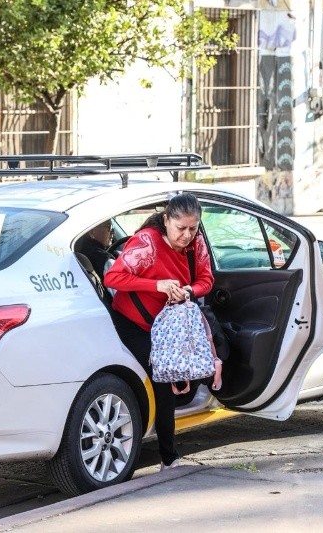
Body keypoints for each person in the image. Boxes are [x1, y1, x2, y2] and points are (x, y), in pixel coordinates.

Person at [103, 192, 215, 471]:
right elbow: (113, 277)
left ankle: (166, 452)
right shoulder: (147, 243)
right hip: (132, 323)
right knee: (162, 380)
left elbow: (206, 280)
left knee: (182, 375)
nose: (187, 235)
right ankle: (168, 458)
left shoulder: (196, 244)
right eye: (181, 228)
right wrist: (158, 286)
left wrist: (189, 290)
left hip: (167, 325)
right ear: (166, 220)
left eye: (193, 228)